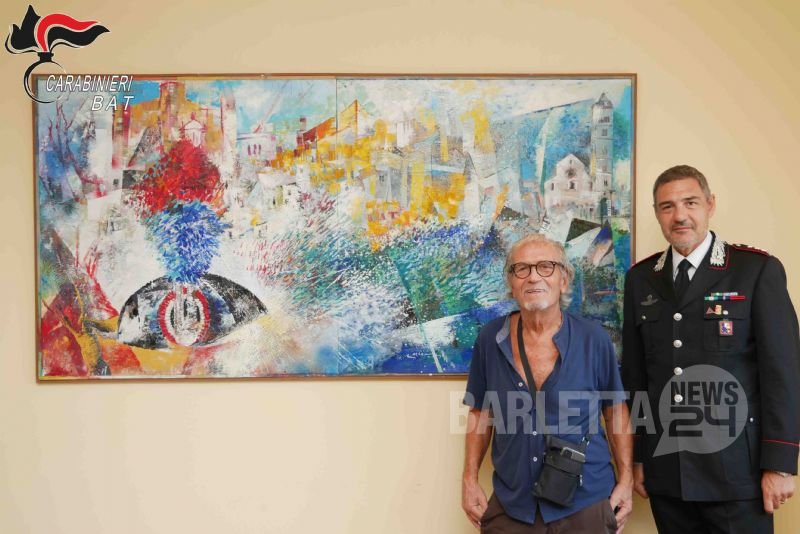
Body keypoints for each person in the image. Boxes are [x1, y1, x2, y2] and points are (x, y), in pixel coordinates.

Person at [621, 165, 800, 533]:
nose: (679, 216)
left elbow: (783, 373)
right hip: (667, 470)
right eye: (667, 206)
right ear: (657, 213)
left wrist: (780, 463)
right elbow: (636, 378)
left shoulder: (754, 270)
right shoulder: (641, 278)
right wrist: (638, 456)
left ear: (710, 205)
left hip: (737, 472)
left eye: (690, 202)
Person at [462, 233, 633, 533]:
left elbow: (615, 410)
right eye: (521, 269)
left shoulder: (594, 339)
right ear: (511, 282)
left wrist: (626, 479)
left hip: (585, 502)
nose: (533, 277)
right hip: (513, 504)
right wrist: (469, 479)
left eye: (546, 267)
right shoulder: (490, 339)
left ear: (563, 280)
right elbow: (480, 412)